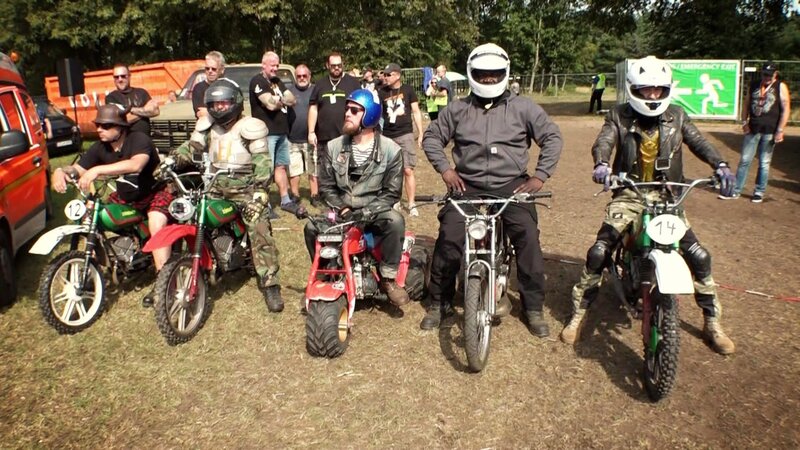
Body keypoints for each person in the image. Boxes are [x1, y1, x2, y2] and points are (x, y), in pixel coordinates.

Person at [561, 55, 737, 355]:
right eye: (646, 90)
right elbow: (604, 141)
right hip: (629, 193)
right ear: (634, 89)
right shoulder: (618, 115)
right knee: (599, 250)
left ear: (666, 89)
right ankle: (580, 312)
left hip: (669, 196)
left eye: (658, 89)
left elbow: (698, 141)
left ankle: (712, 321)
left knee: (699, 255)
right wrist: (602, 164)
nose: (653, 95)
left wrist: (719, 164)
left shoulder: (678, 116)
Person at [421, 43, 563, 335]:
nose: (487, 79)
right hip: (466, 184)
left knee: (527, 237)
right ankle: (439, 302)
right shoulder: (457, 108)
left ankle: (533, 307)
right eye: (482, 74)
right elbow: (432, 137)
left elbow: (552, 137)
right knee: (449, 235)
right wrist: (446, 170)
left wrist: (539, 177)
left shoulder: (524, 107)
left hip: (511, 185)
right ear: (473, 74)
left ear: (505, 73)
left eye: (494, 74)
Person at [168, 78, 286, 313]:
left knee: (259, 228)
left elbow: (262, 162)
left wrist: (261, 191)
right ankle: (181, 270)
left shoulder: (249, 126)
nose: (219, 108)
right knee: (188, 217)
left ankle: (270, 281)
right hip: (212, 187)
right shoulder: (207, 125)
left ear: (236, 103)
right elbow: (191, 149)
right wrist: (171, 159)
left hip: (245, 190)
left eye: (224, 103)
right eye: (215, 104)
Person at [50, 104, 173, 306]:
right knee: (92, 215)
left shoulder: (139, 139)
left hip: (154, 193)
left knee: (156, 221)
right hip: (126, 197)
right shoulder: (100, 147)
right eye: (98, 124)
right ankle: (97, 267)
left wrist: (97, 170)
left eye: (106, 125)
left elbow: (136, 165)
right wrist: (60, 172)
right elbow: (78, 168)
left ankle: (163, 281)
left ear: (121, 127)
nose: (100, 129)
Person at [303, 89, 409, 307]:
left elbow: (391, 192)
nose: (347, 114)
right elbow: (327, 186)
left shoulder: (392, 150)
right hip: (343, 210)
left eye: (354, 110)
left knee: (396, 221)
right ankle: (328, 270)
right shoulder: (333, 147)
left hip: (374, 210)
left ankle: (388, 278)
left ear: (369, 115)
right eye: (347, 109)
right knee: (311, 228)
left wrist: (368, 211)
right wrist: (342, 209)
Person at [719, 61, 791, 203]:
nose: (767, 78)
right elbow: (746, 104)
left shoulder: (780, 86)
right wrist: (744, 122)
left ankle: (759, 191)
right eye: (765, 75)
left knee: (764, 162)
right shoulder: (754, 85)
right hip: (753, 128)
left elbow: (786, 108)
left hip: (770, 130)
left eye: (769, 75)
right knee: (745, 160)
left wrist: (780, 130)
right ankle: (736, 190)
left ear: (775, 74)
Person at [250, 51, 301, 215]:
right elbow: (270, 104)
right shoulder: (257, 81)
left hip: (281, 132)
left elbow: (292, 99)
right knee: (266, 170)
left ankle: (285, 200)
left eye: (277, 65)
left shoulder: (277, 81)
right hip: (266, 133)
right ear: (263, 65)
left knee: (281, 166)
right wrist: (280, 101)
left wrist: (279, 101)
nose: (276, 68)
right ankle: (265, 205)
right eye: (273, 65)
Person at [380, 63, 424, 217]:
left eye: (388, 74)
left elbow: (416, 111)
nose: (385, 77)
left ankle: (411, 204)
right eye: (384, 75)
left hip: (405, 133)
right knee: (390, 171)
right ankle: (394, 200)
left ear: (397, 75)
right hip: (387, 135)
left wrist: (421, 133)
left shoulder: (408, 90)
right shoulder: (381, 92)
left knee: (407, 169)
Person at [307, 52, 361, 167]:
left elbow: (360, 107)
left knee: (345, 171)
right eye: (333, 65)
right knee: (325, 173)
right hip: (324, 138)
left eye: (339, 65)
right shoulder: (320, 84)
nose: (337, 68)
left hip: (346, 136)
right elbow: (313, 107)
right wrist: (311, 132)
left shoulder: (353, 83)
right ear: (327, 65)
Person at [287, 64, 321, 206]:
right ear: (295, 76)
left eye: (304, 75)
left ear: (309, 76)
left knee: (313, 169)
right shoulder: (288, 91)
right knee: (294, 170)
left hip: (310, 138)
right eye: (299, 76)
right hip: (292, 137)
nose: (302, 78)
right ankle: (295, 195)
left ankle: (315, 195)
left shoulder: (315, 90)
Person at [105, 63, 160, 136]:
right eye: (116, 77)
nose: (120, 79)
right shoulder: (111, 97)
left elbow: (155, 111)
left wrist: (130, 109)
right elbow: (121, 120)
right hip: (127, 142)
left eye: (123, 76)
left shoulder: (141, 92)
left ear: (129, 76)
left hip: (145, 140)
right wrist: (145, 111)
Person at [192, 51, 226, 118]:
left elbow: (235, 112)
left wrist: (208, 111)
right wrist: (223, 111)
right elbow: (201, 114)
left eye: (214, 69)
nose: (210, 71)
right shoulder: (198, 88)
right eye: (207, 68)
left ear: (222, 70)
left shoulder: (228, 87)